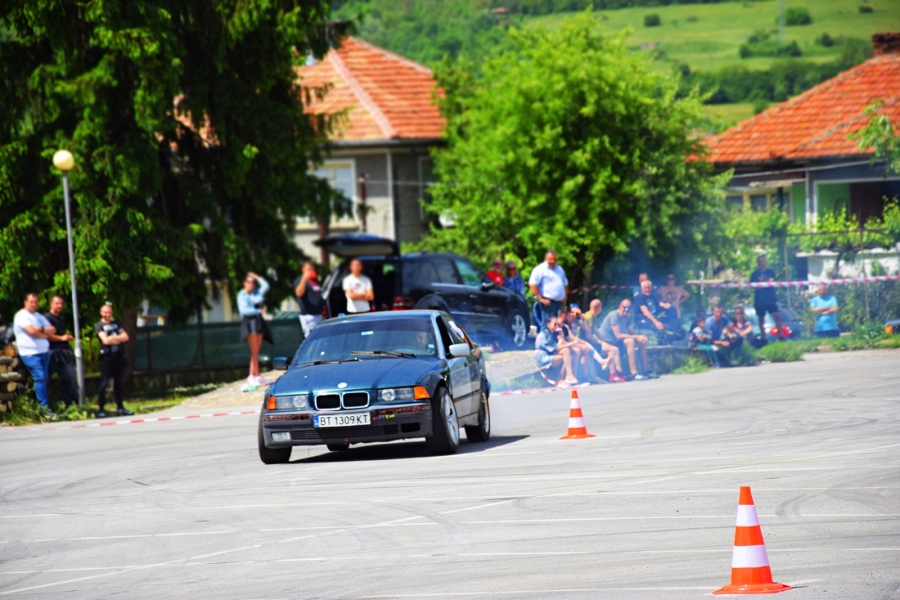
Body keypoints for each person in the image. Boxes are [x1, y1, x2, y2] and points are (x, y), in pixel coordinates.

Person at [13, 293, 55, 417]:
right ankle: (44, 409)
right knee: (40, 377)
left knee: (44, 378)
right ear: (25, 302)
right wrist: (42, 332)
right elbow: (32, 332)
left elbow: (52, 329)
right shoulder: (21, 316)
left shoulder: (38, 316)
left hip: (44, 352)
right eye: (31, 302)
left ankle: (42, 405)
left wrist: (39, 331)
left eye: (36, 302)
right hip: (30, 353)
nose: (34, 304)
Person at [597, 298, 653, 380]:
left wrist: (640, 338)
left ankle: (645, 371)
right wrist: (636, 337)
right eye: (625, 307)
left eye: (629, 308)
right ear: (620, 306)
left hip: (617, 342)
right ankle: (633, 372)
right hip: (607, 342)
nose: (626, 310)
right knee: (630, 341)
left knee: (641, 342)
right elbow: (618, 335)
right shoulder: (614, 315)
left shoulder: (627, 317)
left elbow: (631, 332)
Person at [95, 302, 134, 418]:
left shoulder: (116, 324)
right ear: (101, 313)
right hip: (107, 358)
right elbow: (105, 341)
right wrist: (117, 338)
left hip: (118, 357)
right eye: (105, 312)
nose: (107, 314)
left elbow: (126, 337)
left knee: (118, 384)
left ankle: (120, 408)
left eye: (109, 312)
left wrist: (112, 338)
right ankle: (101, 409)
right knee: (104, 384)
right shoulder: (99, 325)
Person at [237, 272, 272, 388]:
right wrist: (258, 311)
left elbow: (266, 286)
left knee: (257, 351)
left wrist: (256, 276)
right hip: (249, 322)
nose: (251, 284)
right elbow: (245, 311)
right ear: (244, 283)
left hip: (258, 322)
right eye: (249, 281)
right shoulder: (241, 295)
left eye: (253, 282)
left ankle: (253, 376)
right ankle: (256, 376)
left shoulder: (256, 293)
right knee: (254, 351)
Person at [45, 295, 80, 409]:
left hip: (63, 352)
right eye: (57, 303)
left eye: (61, 303)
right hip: (51, 353)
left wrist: (66, 338)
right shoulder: (47, 318)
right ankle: (47, 406)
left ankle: (70, 404)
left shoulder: (61, 318)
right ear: (51, 304)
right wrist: (62, 338)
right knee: (46, 379)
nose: (60, 306)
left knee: (68, 378)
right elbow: (47, 336)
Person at [582, 299, 627, 382]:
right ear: (599, 308)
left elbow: (595, 330)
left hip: (592, 342)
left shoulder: (592, 316)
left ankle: (619, 373)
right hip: (589, 343)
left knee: (614, 349)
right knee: (613, 350)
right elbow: (588, 335)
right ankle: (613, 374)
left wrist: (603, 340)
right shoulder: (589, 317)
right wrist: (599, 342)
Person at [534, 317, 578, 386]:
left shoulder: (551, 334)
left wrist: (561, 336)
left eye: (558, 324)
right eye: (555, 324)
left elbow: (557, 347)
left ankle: (568, 376)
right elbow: (556, 348)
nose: (557, 326)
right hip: (543, 357)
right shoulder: (544, 334)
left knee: (567, 353)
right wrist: (572, 343)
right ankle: (564, 377)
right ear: (548, 324)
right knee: (566, 353)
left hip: (549, 354)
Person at [529, 251, 568, 326]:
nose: (552, 261)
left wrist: (565, 297)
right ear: (545, 259)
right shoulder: (540, 269)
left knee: (559, 326)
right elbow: (532, 284)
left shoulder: (560, 269)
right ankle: (544, 338)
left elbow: (565, 284)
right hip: (548, 303)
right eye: (550, 259)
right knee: (548, 326)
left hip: (559, 303)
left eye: (554, 259)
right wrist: (540, 298)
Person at [750, 255, 784, 342]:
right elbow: (755, 286)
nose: (761, 263)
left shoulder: (770, 272)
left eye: (763, 261)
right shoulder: (754, 274)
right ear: (757, 263)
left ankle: (780, 336)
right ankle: (764, 337)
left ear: (765, 262)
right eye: (760, 261)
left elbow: (771, 281)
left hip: (771, 297)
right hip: (760, 299)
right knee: (761, 318)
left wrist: (762, 283)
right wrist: (764, 283)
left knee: (777, 315)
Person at [294, 261, 323, 337]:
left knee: (319, 337)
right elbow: (299, 293)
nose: (310, 271)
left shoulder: (315, 281)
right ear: (303, 269)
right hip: (309, 316)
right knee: (311, 337)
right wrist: (304, 278)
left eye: (311, 269)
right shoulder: (300, 280)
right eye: (308, 269)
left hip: (319, 315)